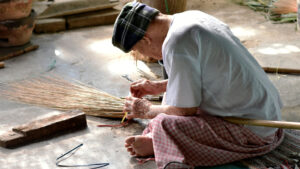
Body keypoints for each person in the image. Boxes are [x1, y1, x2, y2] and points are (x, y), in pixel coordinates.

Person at [112, 2, 284, 169]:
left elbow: (184, 111)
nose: (145, 55)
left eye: (139, 50)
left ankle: (161, 142)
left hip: (252, 129)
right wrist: (158, 87)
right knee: (168, 100)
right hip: (268, 113)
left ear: (145, 39)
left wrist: (146, 109)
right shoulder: (191, 18)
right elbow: (202, 75)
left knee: (166, 122)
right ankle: (160, 139)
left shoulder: (177, 43)